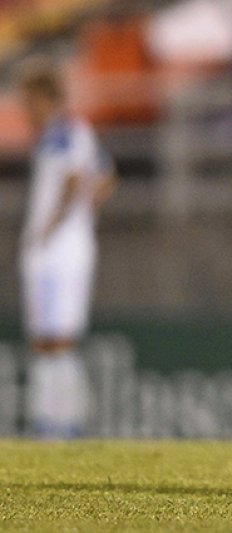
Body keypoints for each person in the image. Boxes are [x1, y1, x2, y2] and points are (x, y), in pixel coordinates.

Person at [18, 58, 117, 438]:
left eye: (30, 100)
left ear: (46, 98)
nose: (26, 109)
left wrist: (55, 225)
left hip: (60, 252)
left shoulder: (68, 132)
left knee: (59, 339)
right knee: (44, 339)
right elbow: (106, 175)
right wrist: (85, 208)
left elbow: (79, 178)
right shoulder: (56, 135)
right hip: (52, 250)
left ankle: (64, 422)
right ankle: (49, 422)